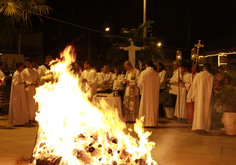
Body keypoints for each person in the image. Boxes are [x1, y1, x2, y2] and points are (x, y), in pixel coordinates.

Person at [187, 63, 214, 133]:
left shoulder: (198, 75)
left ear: (203, 68)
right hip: (207, 97)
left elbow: (193, 86)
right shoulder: (211, 76)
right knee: (206, 111)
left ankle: (197, 127)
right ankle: (205, 128)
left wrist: (190, 96)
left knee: (198, 111)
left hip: (199, 96)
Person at [138, 60, 160, 127]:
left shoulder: (144, 73)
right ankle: (152, 122)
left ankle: (144, 122)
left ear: (146, 65)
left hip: (145, 93)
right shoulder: (156, 74)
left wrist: (141, 89)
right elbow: (158, 84)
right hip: (153, 94)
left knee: (145, 105)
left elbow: (139, 84)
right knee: (152, 106)